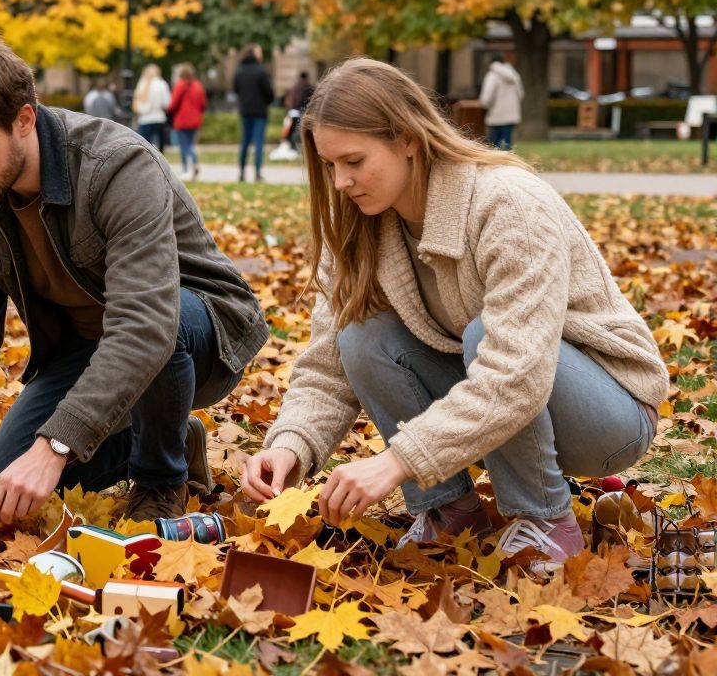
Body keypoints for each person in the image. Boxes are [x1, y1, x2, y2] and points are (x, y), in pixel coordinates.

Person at [242, 59, 666, 567]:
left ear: (408, 139)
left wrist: (397, 461)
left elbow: (516, 373)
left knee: (485, 335)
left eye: (354, 161)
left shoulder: (508, 203)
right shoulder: (359, 225)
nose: (340, 182)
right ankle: (449, 511)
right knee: (362, 335)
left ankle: (546, 521)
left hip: (607, 416)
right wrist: (291, 445)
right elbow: (329, 365)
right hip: (496, 400)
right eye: (330, 165)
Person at [0, 38, 267, 524]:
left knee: (157, 333)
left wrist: (55, 444)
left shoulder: (118, 166)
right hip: (89, 351)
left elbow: (144, 325)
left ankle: (160, 476)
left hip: (198, 334)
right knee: (1, 492)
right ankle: (167, 434)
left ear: (23, 120)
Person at [233, 46, 276, 183]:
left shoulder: (239, 71)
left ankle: (241, 172)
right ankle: (257, 173)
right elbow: (269, 93)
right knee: (258, 143)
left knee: (245, 142)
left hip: (245, 111)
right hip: (259, 112)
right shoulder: (261, 71)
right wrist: (266, 101)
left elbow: (236, 89)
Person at [169, 63, 208, 182]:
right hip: (195, 120)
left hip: (182, 119)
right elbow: (203, 104)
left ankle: (186, 169)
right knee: (190, 144)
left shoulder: (180, 85)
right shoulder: (198, 85)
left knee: (184, 145)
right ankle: (194, 164)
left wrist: (170, 111)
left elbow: (173, 104)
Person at [479, 54, 523, 151]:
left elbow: (487, 97)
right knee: (507, 143)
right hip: (511, 115)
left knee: (494, 145)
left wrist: (484, 105)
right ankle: (508, 162)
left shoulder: (492, 75)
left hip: (496, 115)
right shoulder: (513, 74)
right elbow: (521, 94)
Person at [132, 65, 171, 154]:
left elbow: (136, 102)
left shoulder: (142, 83)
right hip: (159, 118)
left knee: (146, 147)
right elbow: (166, 103)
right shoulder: (161, 84)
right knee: (160, 146)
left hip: (144, 119)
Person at [280, 70, 315, 155]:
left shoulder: (294, 87)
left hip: (291, 112)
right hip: (300, 112)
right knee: (297, 133)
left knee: (291, 132)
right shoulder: (308, 87)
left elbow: (284, 99)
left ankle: (294, 148)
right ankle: (296, 149)